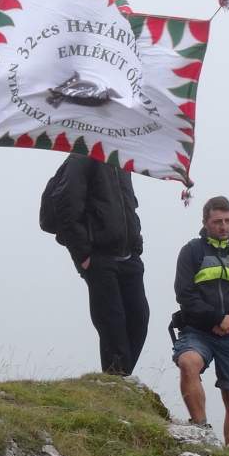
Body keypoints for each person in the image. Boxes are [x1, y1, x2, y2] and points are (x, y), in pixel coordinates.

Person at [48, 152, 148, 376]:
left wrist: (136, 245)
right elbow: (66, 204)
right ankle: (117, 381)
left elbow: (130, 204)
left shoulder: (121, 159)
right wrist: (82, 254)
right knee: (112, 324)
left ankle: (118, 379)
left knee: (139, 320)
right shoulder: (82, 157)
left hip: (129, 256)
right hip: (99, 257)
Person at [171, 196, 229, 444]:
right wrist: (217, 318)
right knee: (188, 363)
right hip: (197, 331)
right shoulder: (191, 252)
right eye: (217, 221)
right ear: (205, 222)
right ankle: (201, 431)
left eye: (228, 221)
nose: (224, 226)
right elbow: (184, 294)